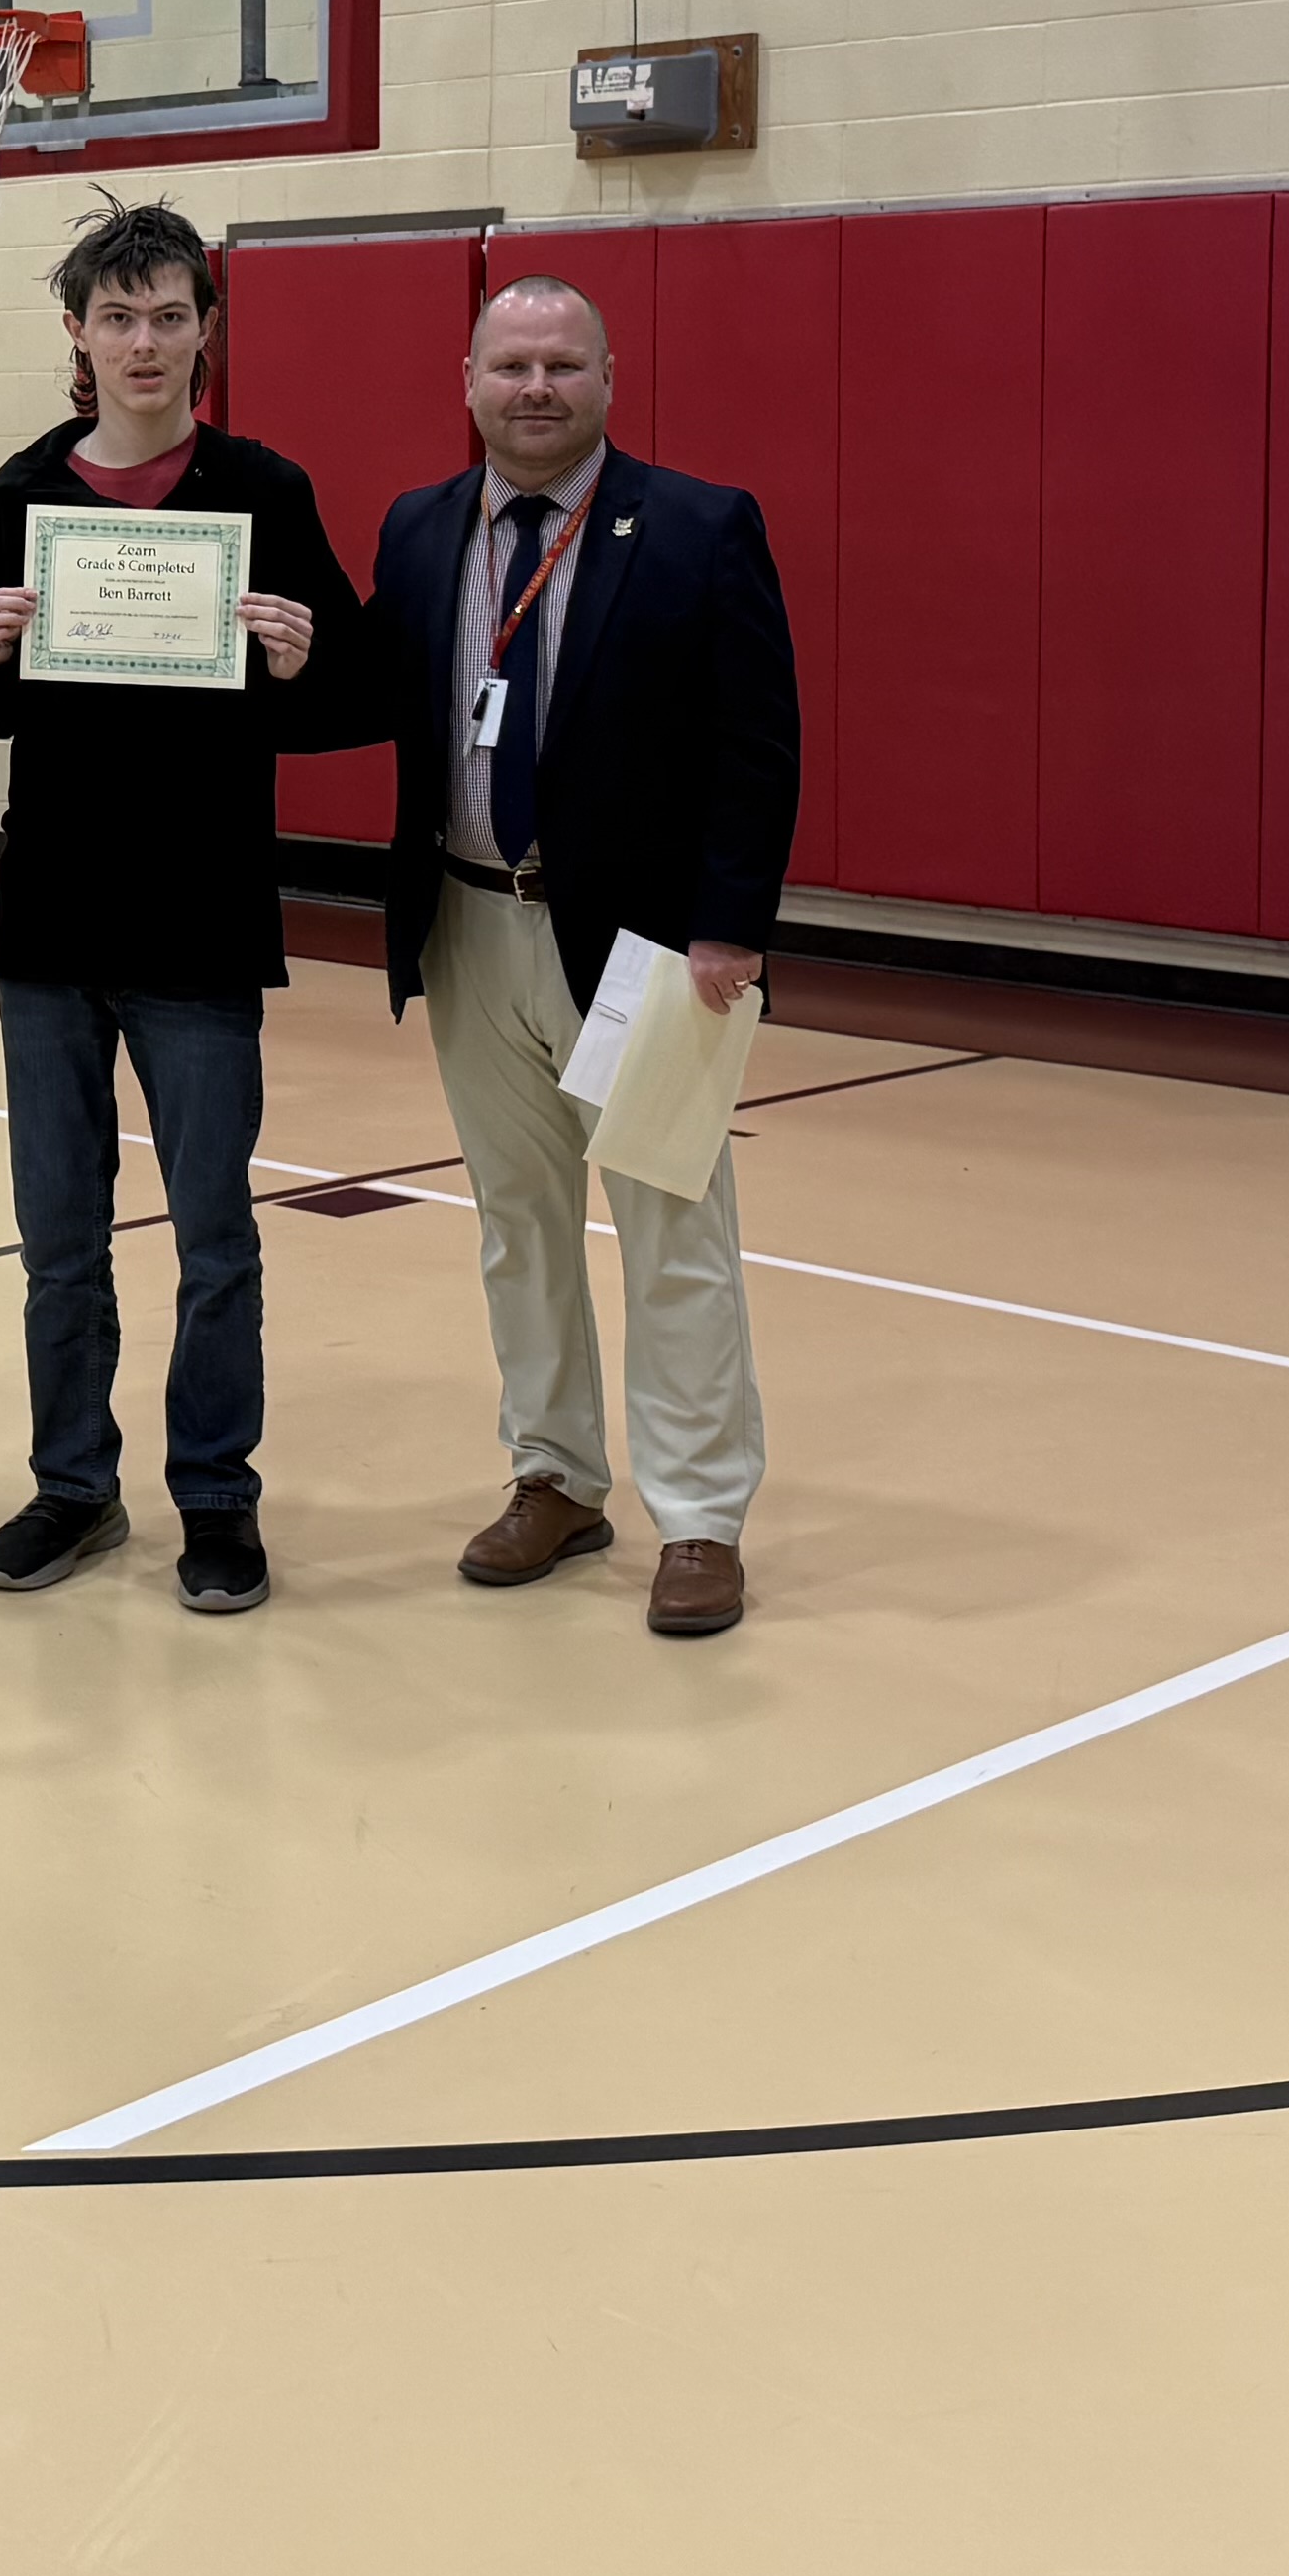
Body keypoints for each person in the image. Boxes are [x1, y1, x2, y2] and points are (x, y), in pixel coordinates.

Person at [0, 195, 378, 1615]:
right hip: (54, 922)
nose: (145, 341)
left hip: (199, 922)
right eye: (118, 316)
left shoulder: (263, 489)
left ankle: (216, 1497)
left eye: (169, 315)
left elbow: (356, 696)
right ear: (76, 333)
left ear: (206, 331)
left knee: (215, 1233)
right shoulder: (25, 489)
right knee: (58, 1239)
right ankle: (73, 1488)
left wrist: (303, 660)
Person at [370, 274, 800, 1639]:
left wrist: (730, 921)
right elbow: (377, 699)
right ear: (469, 380)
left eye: (562, 365)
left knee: (675, 1232)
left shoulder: (697, 525)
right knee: (518, 1224)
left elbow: (757, 739)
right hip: (468, 916)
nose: (536, 389)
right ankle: (554, 1475)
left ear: (608, 376)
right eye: (512, 366)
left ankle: (700, 1514)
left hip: (648, 946)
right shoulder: (423, 528)